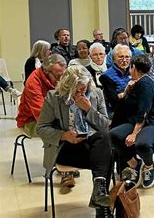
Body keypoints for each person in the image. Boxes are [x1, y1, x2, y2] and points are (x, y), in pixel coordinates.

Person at [36, 65, 112, 216]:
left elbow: (105, 125)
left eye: (84, 89)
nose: (82, 93)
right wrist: (63, 135)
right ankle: (102, 207)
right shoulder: (54, 97)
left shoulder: (96, 93)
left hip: (92, 144)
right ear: (67, 86)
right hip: (66, 147)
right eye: (77, 90)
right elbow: (41, 128)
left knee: (103, 138)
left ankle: (99, 193)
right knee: (106, 159)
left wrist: (89, 109)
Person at [110, 55, 154, 189]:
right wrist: (127, 90)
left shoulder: (146, 83)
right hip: (136, 121)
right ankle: (135, 164)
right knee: (114, 135)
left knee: (141, 143)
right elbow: (126, 104)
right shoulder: (136, 83)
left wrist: (134, 133)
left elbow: (144, 111)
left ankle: (149, 165)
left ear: (134, 67)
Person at [16, 54, 66, 138]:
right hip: (31, 121)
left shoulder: (56, 75)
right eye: (58, 77)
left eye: (63, 76)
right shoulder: (33, 83)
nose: (61, 80)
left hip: (54, 116)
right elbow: (42, 115)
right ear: (46, 71)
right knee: (63, 134)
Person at [100, 44, 132, 128]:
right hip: (117, 112)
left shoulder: (133, 72)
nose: (124, 60)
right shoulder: (107, 76)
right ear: (113, 59)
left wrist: (122, 94)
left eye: (127, 57)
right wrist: (127, 92)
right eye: (121, 57)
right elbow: (114, 100)